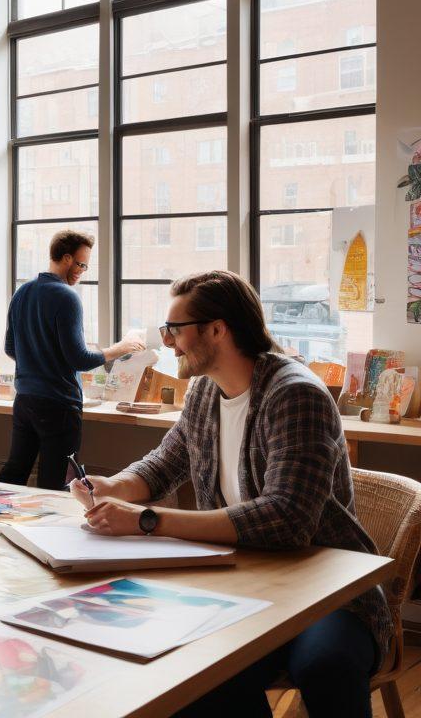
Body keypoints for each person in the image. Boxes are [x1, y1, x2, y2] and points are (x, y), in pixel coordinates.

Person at [69, 270, 392, 718]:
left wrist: (146, 520)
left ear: (217, 329)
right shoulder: (204, 391)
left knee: (325, 665)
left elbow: (286, 520)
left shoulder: (295, 395)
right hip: (243, 582)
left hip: (327, 589)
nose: (168, 343)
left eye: (175, 331)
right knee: (188, 673)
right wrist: (111, 487)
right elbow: (165, 463)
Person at [0, 229, 144, 488]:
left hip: (25, 400)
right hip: (59, 405)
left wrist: (38, 360)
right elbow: (79, 359)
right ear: (66, 259)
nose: (82, 271)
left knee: (14, 474)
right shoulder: (66, 297)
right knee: (55, 484)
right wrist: (121, 348)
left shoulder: (22, 293)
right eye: (81, 264)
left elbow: (11, 348)